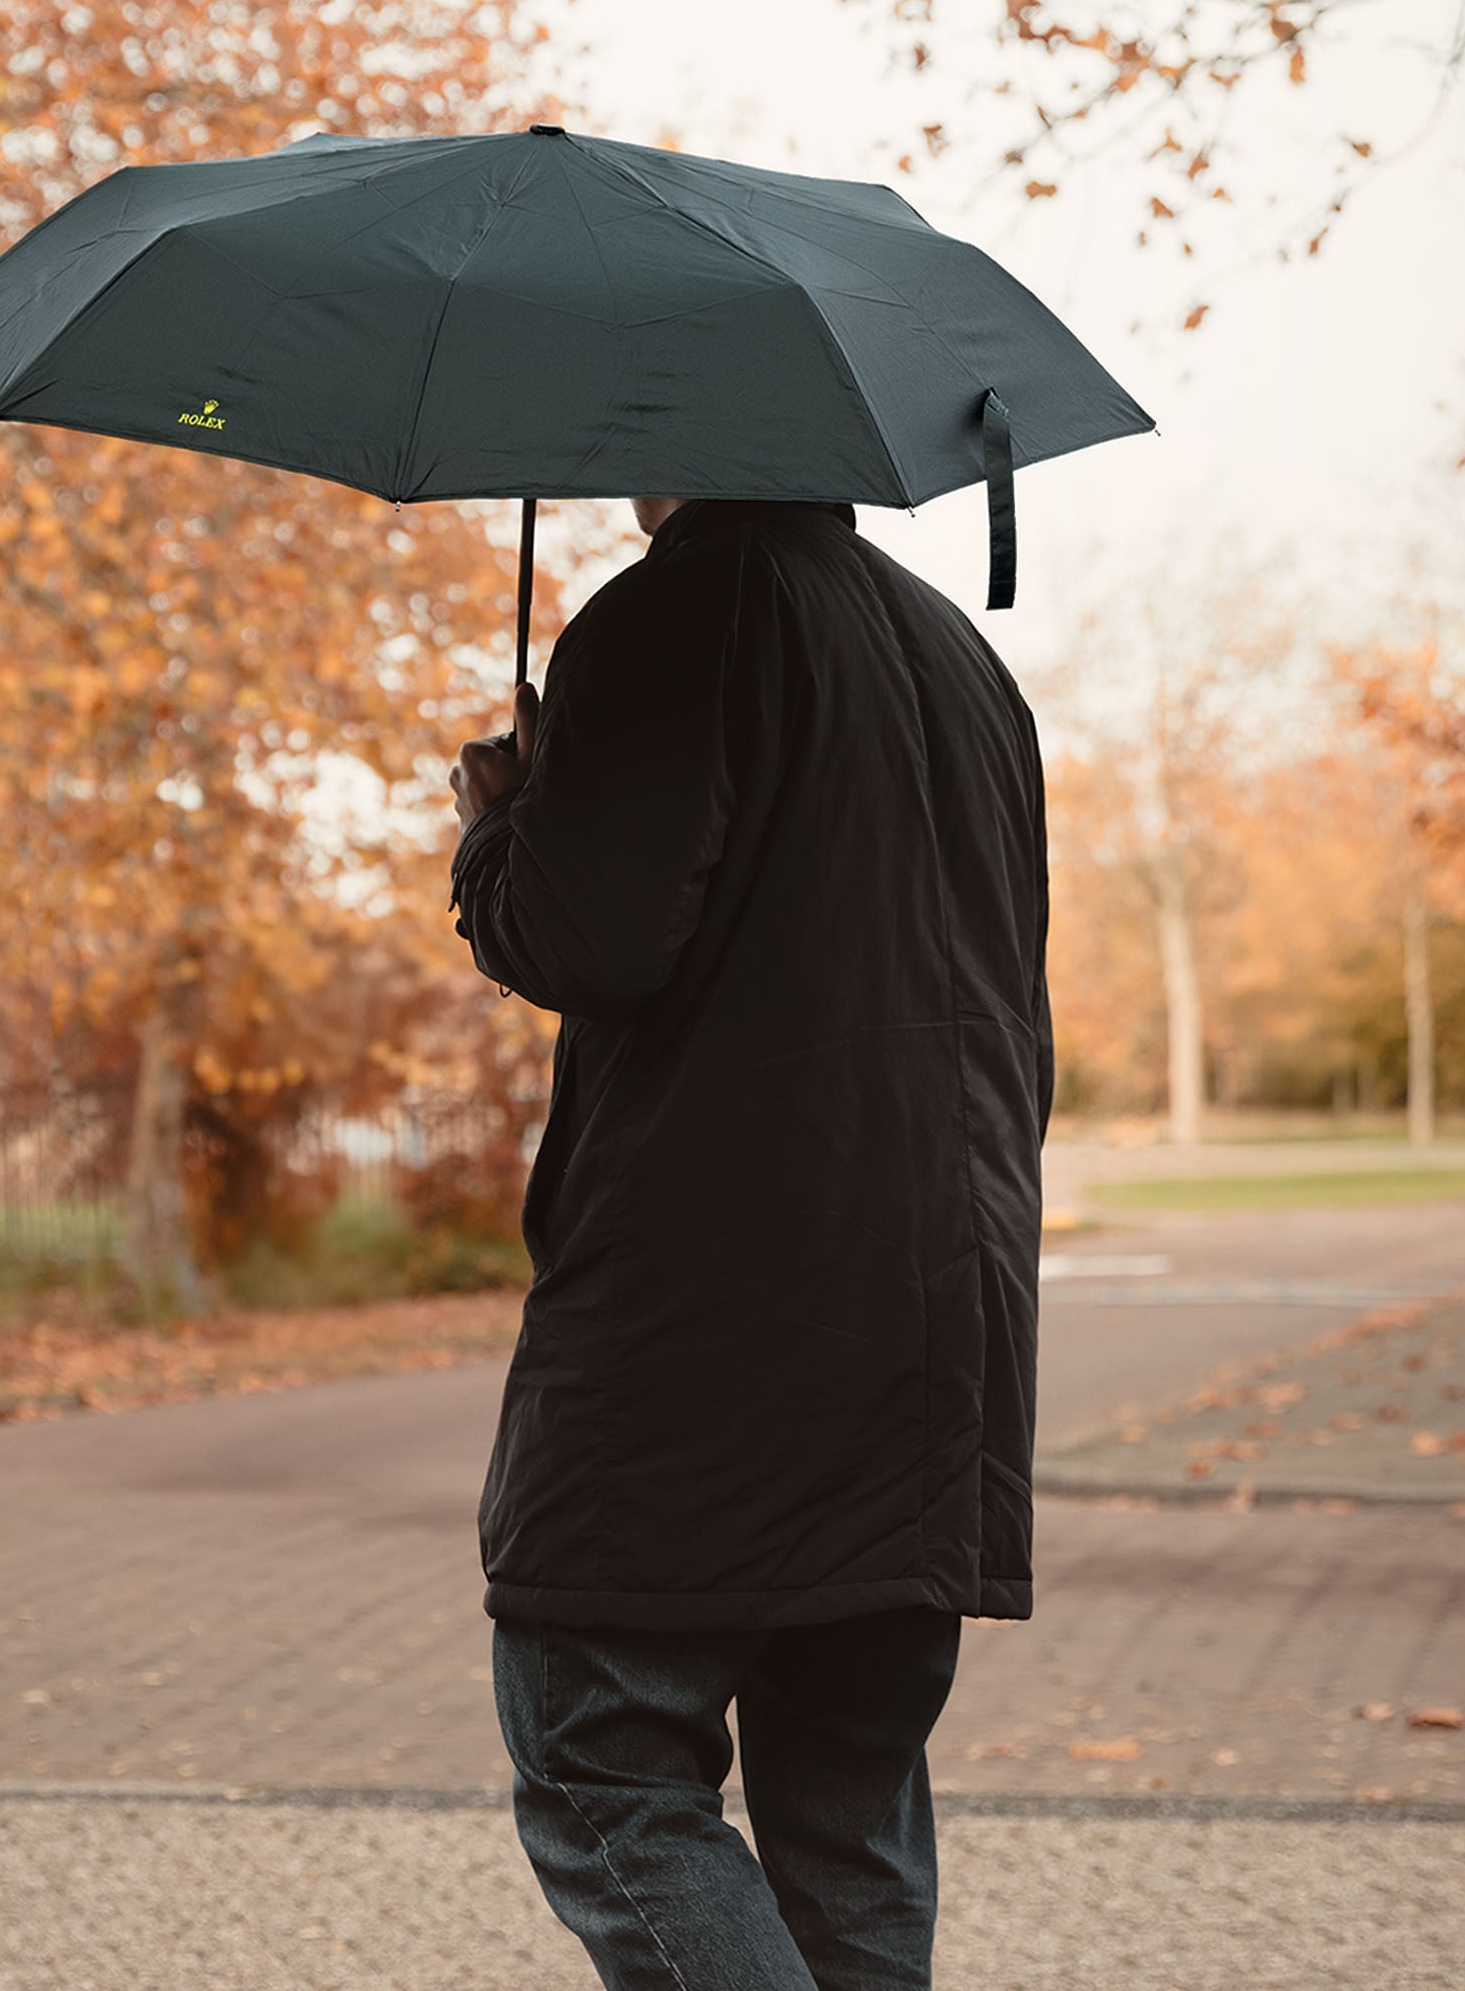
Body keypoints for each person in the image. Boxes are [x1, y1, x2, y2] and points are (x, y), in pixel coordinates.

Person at [445, 494, 1052, 1991]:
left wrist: (500, 827)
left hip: (714, 1315)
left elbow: (585, 939)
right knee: (846, 1821)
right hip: (934, 1311)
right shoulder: (958, 660)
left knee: (603, 1764)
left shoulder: (677, 614)